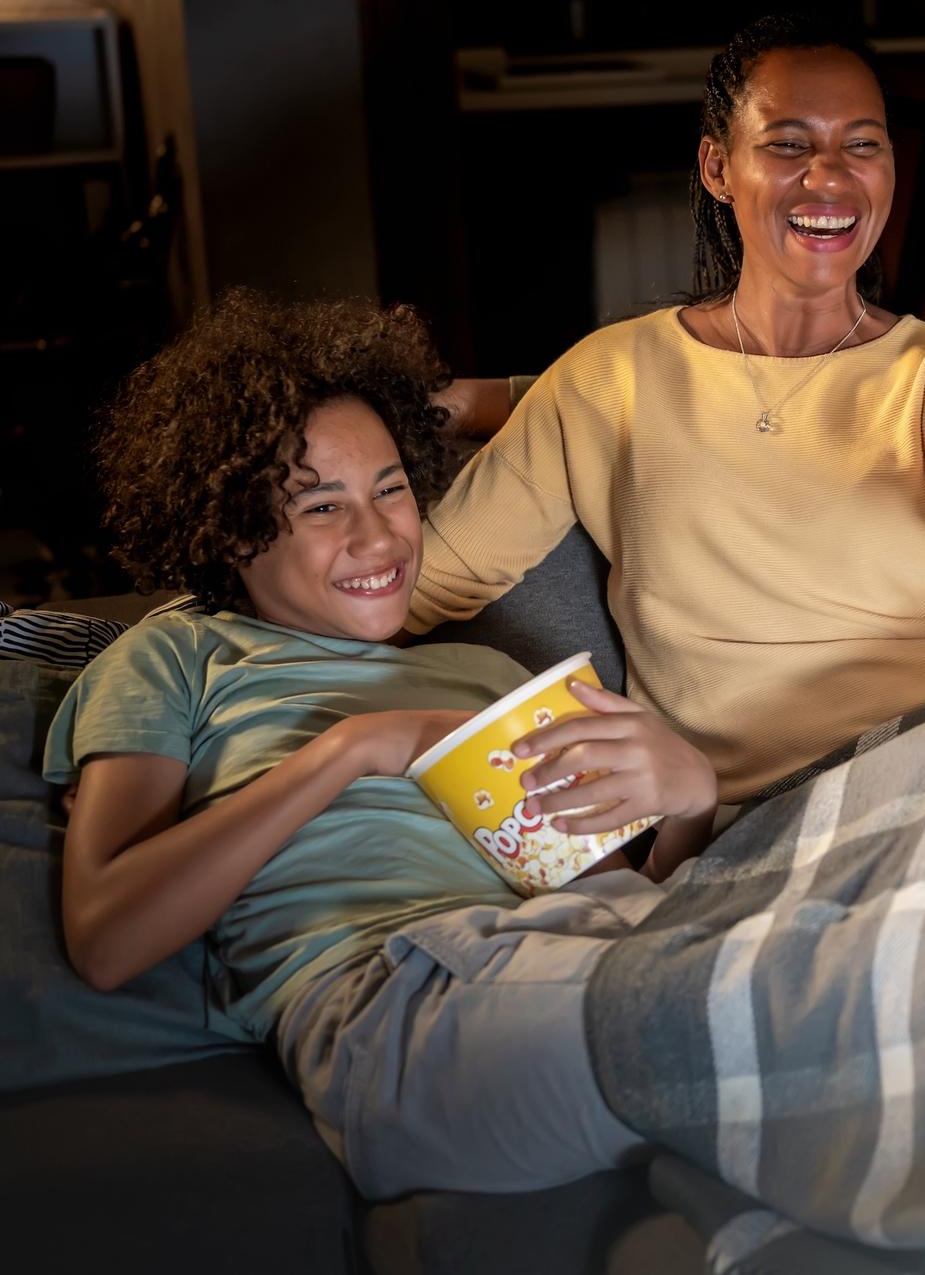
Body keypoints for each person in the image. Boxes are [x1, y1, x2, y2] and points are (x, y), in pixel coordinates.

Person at [48, 292, 716, 1195]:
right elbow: (106, 934)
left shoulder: (483, 676)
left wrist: (689, 803)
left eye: (391, 487)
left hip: (563, 944)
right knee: (764, 1015)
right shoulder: (176, 656)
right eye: (321, 505)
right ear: (233, 526)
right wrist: (356, 747)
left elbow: (611, 898)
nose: (377, 535)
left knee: (799, 978)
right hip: (388, 996)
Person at [419, 15, 925, 802]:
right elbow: (424, 578)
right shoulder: (605, 381)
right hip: (764, 831)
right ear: (718, 165)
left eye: (863, 144)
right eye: (788, 143)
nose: (830, 178)